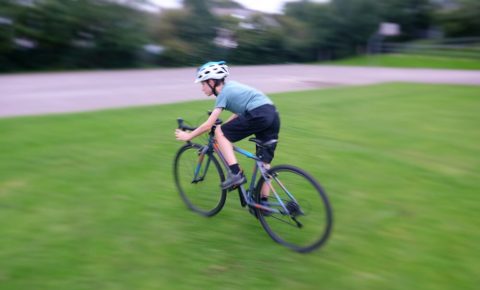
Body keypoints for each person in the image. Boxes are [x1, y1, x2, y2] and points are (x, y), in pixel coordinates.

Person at [174, 61, 280, 198]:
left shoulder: (223, 93)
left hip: (258, 114)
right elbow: (240, 111)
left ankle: (236, 173)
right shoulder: (233, 87)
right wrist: (223, 126)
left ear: (211, 82)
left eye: (202, 83)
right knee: (264, 162)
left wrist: (188, 136)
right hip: (272, 114)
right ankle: (263, 202)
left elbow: (207, 125)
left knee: (220, 133)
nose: (202, 88)